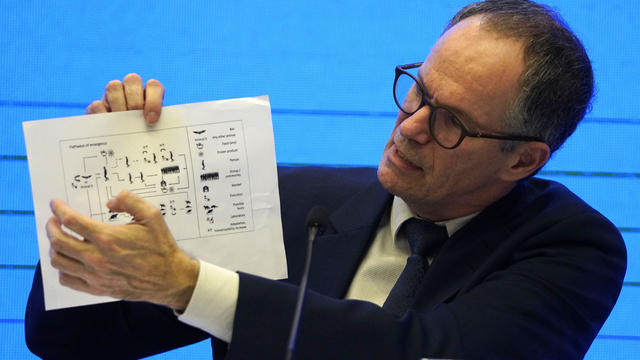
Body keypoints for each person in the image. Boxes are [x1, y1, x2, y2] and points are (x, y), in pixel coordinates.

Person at [25, 0, 626, 359]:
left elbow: (426, 349)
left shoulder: (572, 248)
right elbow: (70, 339)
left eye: (452, 123)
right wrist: (99, 177)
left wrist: (192, 287)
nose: (411, 127)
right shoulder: (293, 204)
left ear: (522, 160)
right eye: (419, 90)